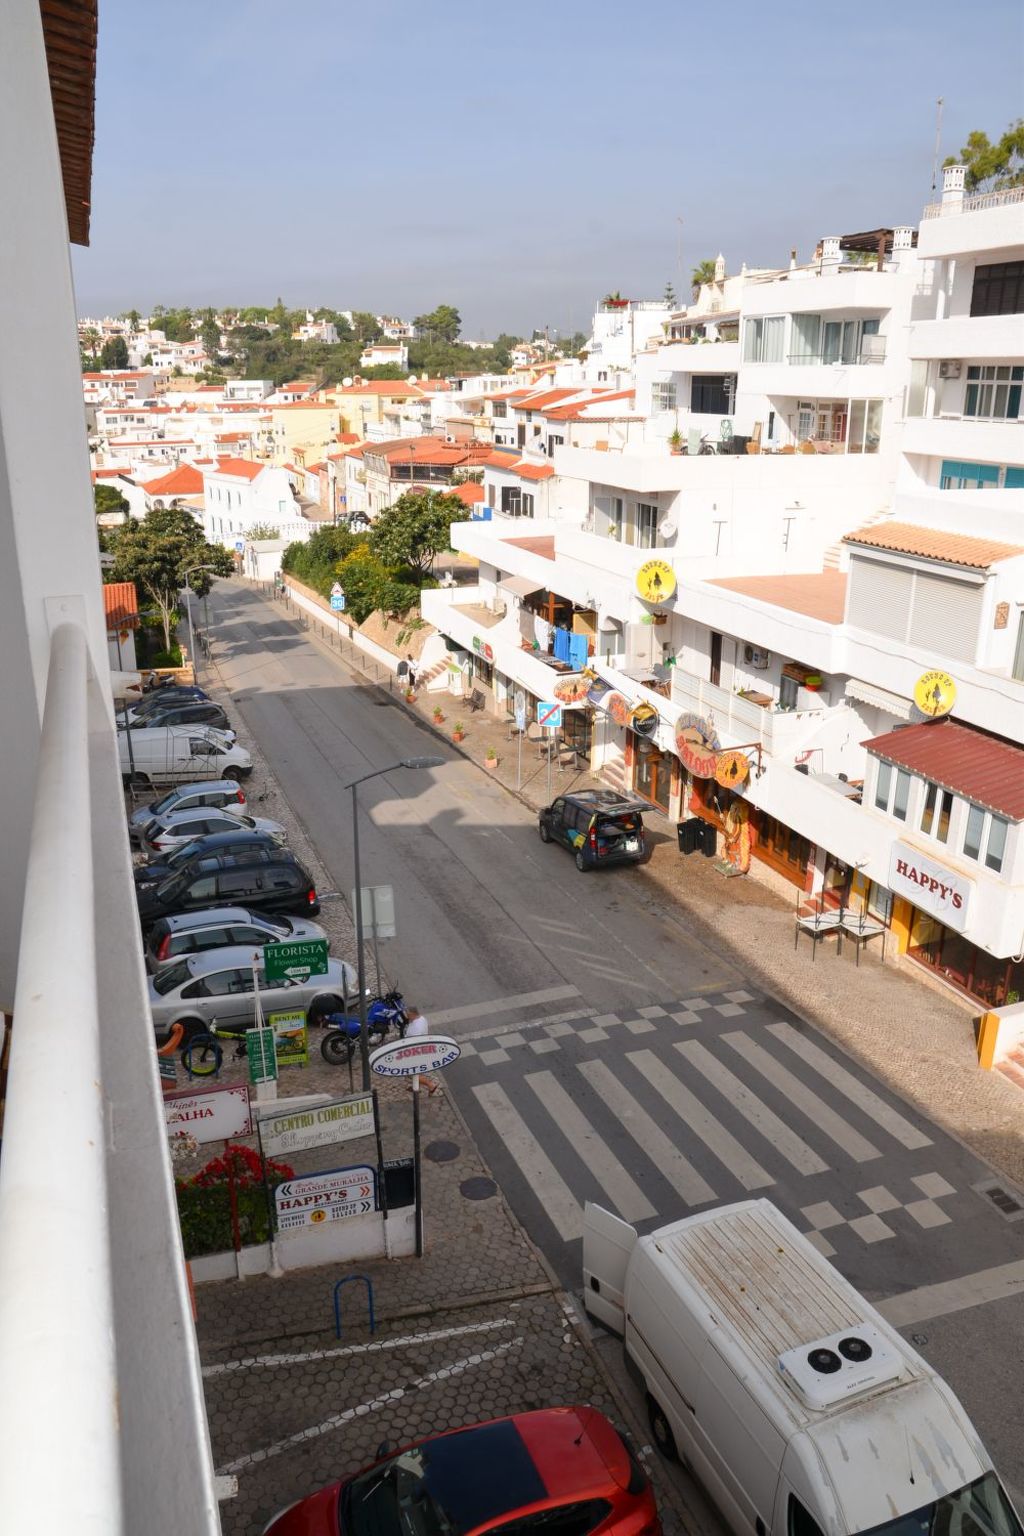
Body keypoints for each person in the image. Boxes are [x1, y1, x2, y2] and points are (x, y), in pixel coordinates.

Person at [402, 1007, 438, 1094]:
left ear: (412, 1014)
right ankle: (416, 1086)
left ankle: (431, 1085)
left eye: (407, 1015)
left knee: (412, 1072)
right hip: (420, 1050)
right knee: (414, 1072)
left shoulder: (416, 1028)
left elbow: (414, 1043)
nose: (407, 1017)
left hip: (415, 1053)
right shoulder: (422, 1019)